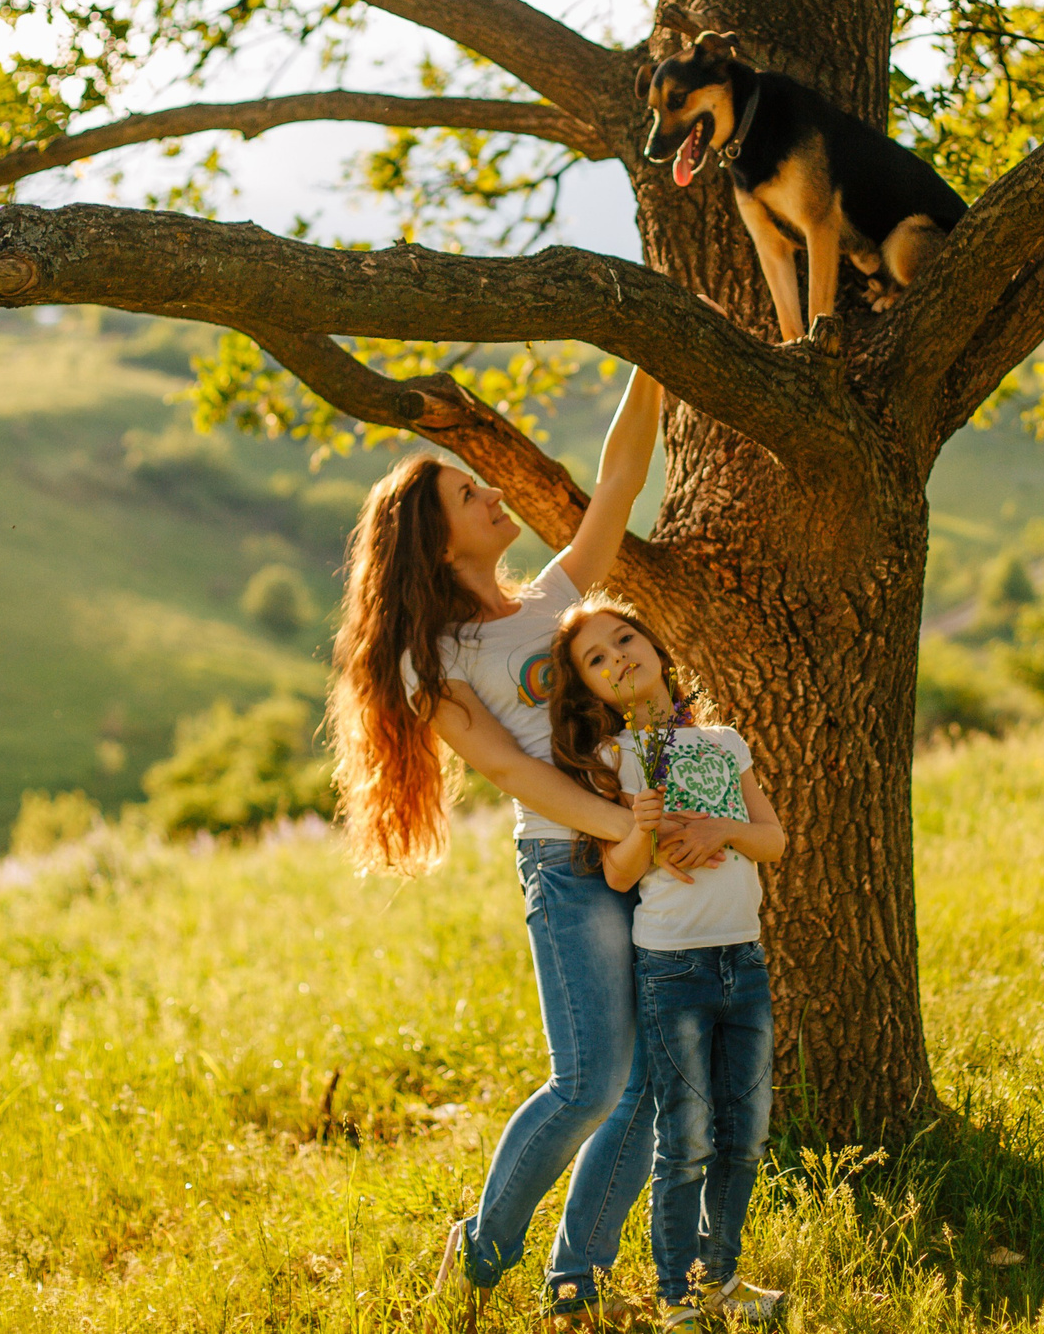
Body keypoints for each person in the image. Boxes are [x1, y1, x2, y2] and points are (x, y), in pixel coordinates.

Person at [325, 368, 673, 1329]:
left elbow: (619, 482)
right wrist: (622, 828)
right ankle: (479, 1254)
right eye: (470, 494)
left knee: (648, 1087)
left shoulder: (553, 598)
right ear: (437, 539)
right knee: (590, 1081)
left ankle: (577, 1280)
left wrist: (649, 361)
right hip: (571, 871)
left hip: (638, 854)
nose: (495, 492)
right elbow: (508, 770)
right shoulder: (429, 657)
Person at [547, 598, 788, 1331]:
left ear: (655, 645)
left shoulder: (723, 738)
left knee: (744, 1131)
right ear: (592, 691)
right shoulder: (616, 758)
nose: (618, 655)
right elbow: (620, 875)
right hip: (672, 966)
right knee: (684, 1136)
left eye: (625, 638)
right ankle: (676, 1293)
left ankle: (720, 1278)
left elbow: (772, 839)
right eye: (597, 658)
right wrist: (646, 829)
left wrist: (721, 828)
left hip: (742, 960)